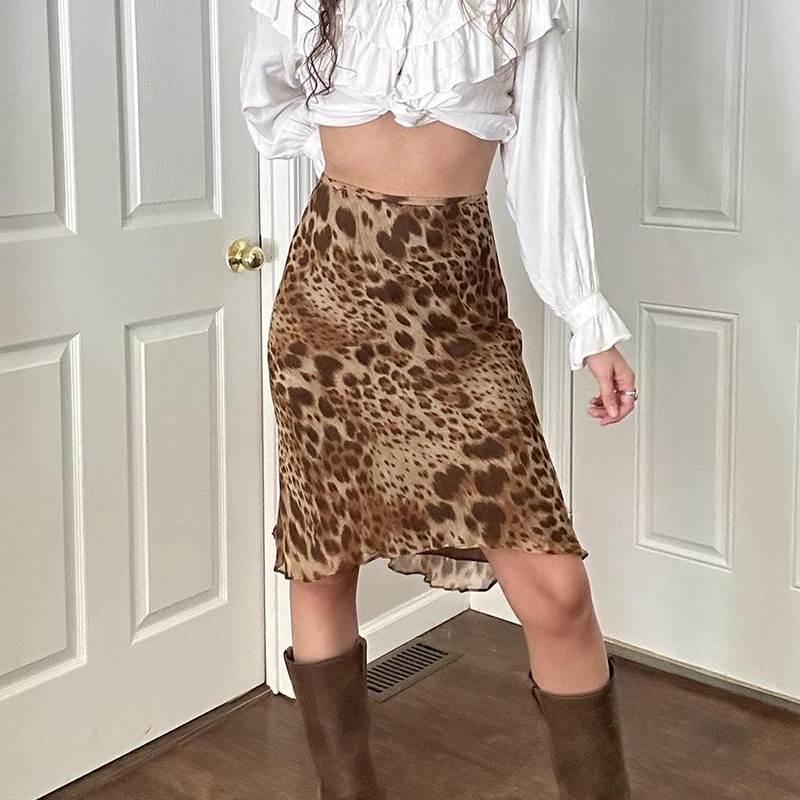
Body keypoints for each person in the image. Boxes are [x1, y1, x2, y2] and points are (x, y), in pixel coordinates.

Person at [240, 1, 637, 797]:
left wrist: (587, 318)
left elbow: (545, 160)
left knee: (558, 593)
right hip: (327, 309)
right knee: (323, 563)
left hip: (460, 314)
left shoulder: (516, 7)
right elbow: (267, 102)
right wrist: (342, 139)